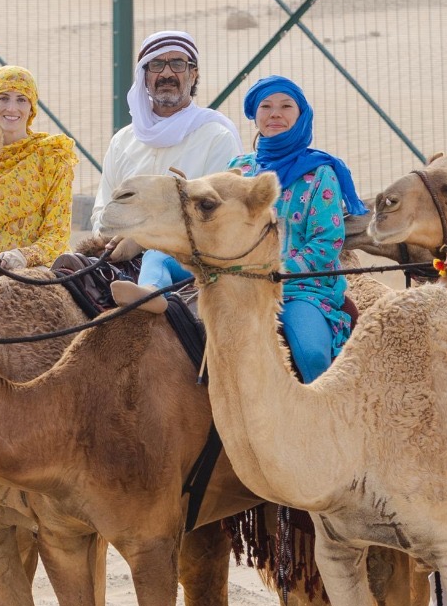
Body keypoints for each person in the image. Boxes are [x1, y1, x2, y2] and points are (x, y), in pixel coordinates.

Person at [216, 75, 360, 383]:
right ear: (255, 115)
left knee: (312, 354)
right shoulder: (238, 169)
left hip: (300, 290)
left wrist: (275, 270)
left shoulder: (320, 173)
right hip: (237, 284)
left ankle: (322, 422)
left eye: (285, 106)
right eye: (265, 106)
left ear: (300, 114)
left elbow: (326, 242)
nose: (275, 114)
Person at [92, 30, 242, 287]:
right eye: (157, 64)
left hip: (189, 266)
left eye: (177, 64)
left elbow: (218, 219)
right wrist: (116, 241)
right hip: (117, 259)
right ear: (145, 76)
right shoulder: (123, 141)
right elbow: (102, 212)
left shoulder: (216, 137)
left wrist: (143, 240)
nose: (167, 74)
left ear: (192, 73)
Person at [0, 64, 75, 266]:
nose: (12, 108)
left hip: (35, 269)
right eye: (3, 98)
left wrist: (23, 256)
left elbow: (58, 234)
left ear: (31, 108)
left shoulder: (51, 157)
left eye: (21, 99)